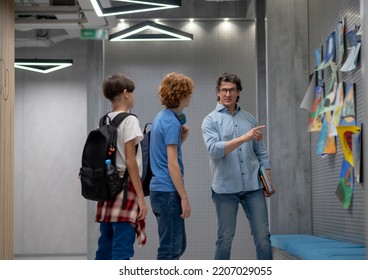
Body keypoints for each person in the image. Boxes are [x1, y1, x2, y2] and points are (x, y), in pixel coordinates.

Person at [201, 72, 276, 260]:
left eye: (232, 90)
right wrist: (244, 137)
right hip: (225, 190)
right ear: (218, 93)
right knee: (225, 238)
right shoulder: (210, 120)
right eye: (224, 90)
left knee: (263, 237)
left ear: (238, 92)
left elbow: (261, 152)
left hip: (253, 187)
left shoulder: (249, 119)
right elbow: (214, 150)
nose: (228, 94)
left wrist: (268, 179)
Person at [95, 73, 148, 260]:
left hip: (107, 188)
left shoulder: (105, 120)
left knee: (105, 245)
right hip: (125, 188)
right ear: (126, 94)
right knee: (122, 247)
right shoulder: (130, 120)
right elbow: (130, 160)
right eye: (132, 93)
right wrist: (141, 198)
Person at [149, 72, 194, 260]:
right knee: (170, 250)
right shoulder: (171, 122)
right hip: (168, 192)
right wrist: (184, 197)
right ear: (181, 95)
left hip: (158, 191)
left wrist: (180, 139)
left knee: (176, 245)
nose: (190, 96)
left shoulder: (162, 117)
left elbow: (163, 155)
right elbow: (172, 164)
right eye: (189, 92)